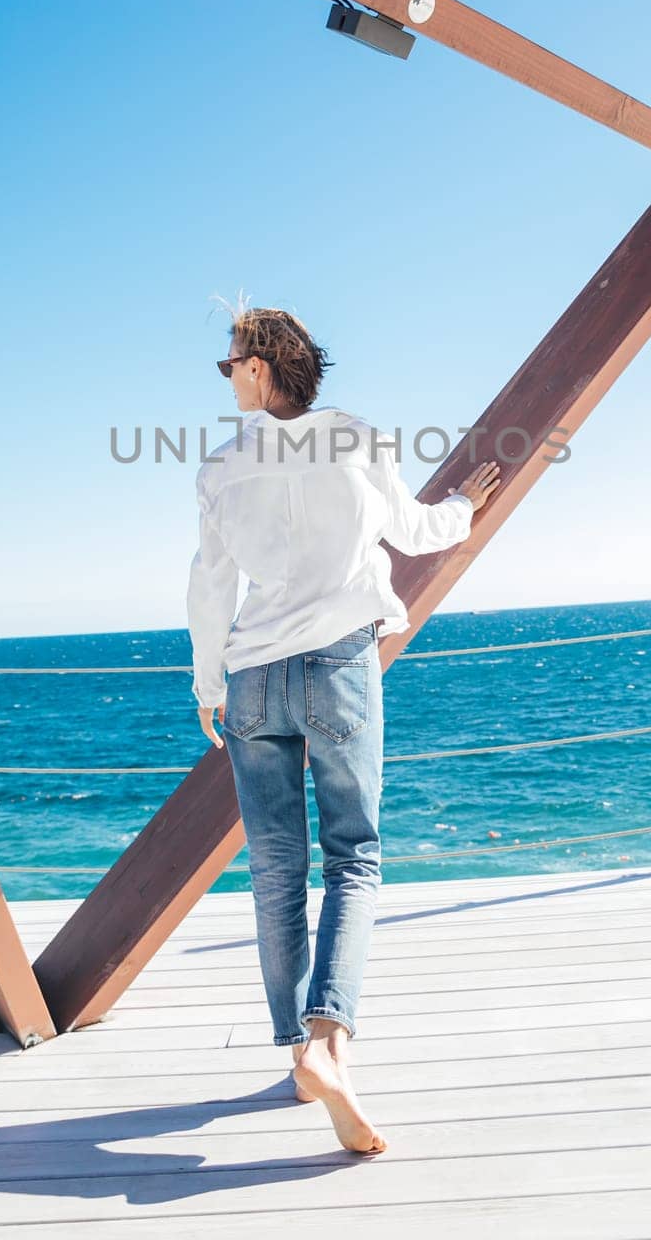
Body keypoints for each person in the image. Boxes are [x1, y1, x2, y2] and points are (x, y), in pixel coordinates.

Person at [186, 304, 500, 1155]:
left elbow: (210, 584)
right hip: (337, 666)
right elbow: (411, 530)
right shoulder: (355, 438)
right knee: (353, 856)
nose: (224, 379)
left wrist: (207, 682)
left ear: (259, 366)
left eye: (228, 365)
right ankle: (329, 1039)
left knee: (275, 870)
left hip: (251, 676)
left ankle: (298, 1056)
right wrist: (464, 506)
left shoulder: (221, 467)